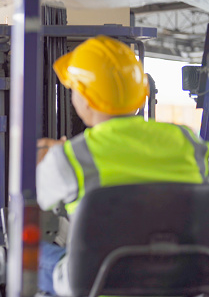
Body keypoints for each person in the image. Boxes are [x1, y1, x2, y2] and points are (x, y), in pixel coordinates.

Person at [35, 35, 209, 296]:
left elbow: (37, 198)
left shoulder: (71, 157)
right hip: (182, 278)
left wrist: (43, 157)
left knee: (22, 251)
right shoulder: (188, 141)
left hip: (97, 284)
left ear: (85, 98)